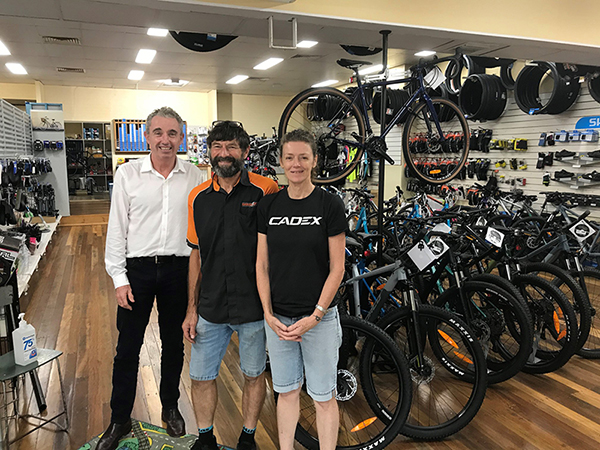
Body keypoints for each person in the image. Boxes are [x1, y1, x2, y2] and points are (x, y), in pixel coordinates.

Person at [100, 107, 205, 450]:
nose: (165, 140)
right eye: (158, 132)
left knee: (174, 346)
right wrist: (119, 277)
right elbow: (116, 230)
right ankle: (119, 418)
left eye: (172, 133)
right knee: (127, 349)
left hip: (177, 270)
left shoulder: (194, 177)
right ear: (146, 137)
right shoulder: (129, 175)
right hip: (138, 271)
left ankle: (170, 406)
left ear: (181, 138)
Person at [183, 121, 278, 450]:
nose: (224, 154)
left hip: (253, 306)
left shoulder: (266, 191)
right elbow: (195, 256)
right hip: (210, 304)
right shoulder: (197, 197)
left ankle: (248, 436)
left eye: (232, 147)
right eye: (218, 147)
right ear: (209, 151)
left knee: (253, 374)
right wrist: (191, 310)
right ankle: (206, 437)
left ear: (246, 152)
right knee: (201, 376)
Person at [255, 129, 346, 450]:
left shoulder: (330, 204)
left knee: (323, 395)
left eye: (303, 158)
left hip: (318, 320)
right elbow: (261, 266)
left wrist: (316, 316)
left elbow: (338, 268)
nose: (296, 164)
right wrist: (267, 313)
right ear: (281, 161)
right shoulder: (268, 206)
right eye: (290, 157)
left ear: (314, 161)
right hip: (279, 319)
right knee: (287, 391)